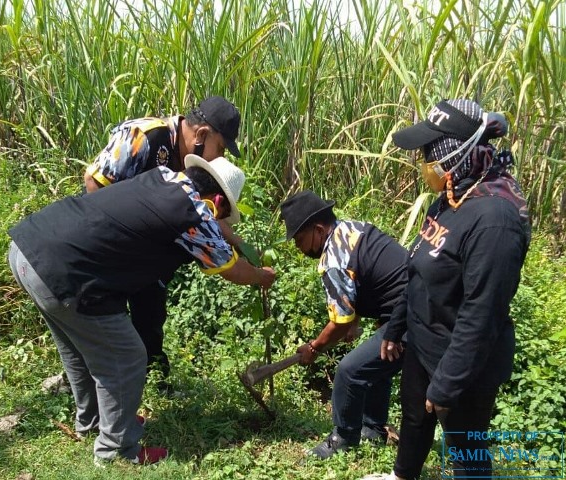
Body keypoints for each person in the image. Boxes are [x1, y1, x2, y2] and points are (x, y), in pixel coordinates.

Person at [8, 155, 276, 465]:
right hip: (65, 273)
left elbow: (209, 225)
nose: (221, 221)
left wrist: (236, 239)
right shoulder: (193, 214)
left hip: (28, 250)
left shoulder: (164, 177)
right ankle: (116, 451)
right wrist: (261, 276)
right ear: (217, 201)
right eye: (224, 213)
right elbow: (232, 270)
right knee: (126, 357)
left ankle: (93, 422)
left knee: (78, 351)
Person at [365, 99, 531, 479]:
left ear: (456, 151)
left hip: (464, 363)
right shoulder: (453, 195)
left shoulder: (495, 221)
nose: (424, 162)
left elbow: (481, 314)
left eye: (428, 153)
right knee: (414, 419)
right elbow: (419, 268)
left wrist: (446, 386)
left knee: (465, 450)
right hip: (424, 345)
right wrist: (396, 326)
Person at [83, 95, 256, 378]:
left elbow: (202, 211)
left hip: (146, 255)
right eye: (221, 149)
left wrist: (236, 241)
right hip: (110, 246)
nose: (219, 159)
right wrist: (122, 242)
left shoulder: (191, 161)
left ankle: (153, 376)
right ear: (202, 134)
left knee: (151, 314)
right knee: (104, 319)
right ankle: (104, 381)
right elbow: (95, 182)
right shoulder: (146, 136)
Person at [279, 190, 408, 459]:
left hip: (411, 316)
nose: (298, 249)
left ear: (317, 230)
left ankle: (344, 437)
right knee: (376, 362)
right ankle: (373, 428)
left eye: (299, 240)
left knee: (350, 371)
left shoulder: (333, 259)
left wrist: (314, 348)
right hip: (415, 306)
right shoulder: (351, 229)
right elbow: (367, 276)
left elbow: (339, 323)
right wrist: (357, 318)